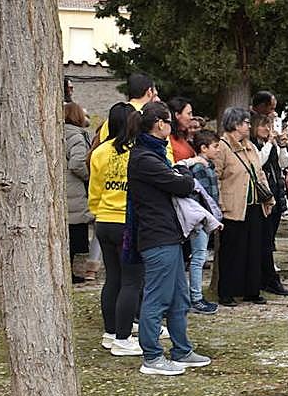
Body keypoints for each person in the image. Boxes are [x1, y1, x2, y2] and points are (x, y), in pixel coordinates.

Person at [126, 101, 210, 375]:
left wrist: (179, 171)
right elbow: (183, 185)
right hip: (156, 236)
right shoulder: (144, 158)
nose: (171, 127)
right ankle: (152, 357)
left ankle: (181, 350)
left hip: (169, 235)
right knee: (157, 298)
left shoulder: (154, 154)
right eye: (169, 122)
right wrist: (184, 171)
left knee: (178, 297)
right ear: (159, 124)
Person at [89, 105, 143, 356]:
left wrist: (97, 211)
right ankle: (123, 338)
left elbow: (95, 188)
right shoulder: (137, 151)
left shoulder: (100, 152)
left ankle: (111, 332)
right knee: (132, 281)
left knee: (113, 278)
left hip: (104, 220)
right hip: (128, 222)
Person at [215, 106, 274, 307]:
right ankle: (227, 292)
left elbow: (260, 174)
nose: (249, 126)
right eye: (246, 123)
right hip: (232, 207)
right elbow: (216, 177)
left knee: (254, 250)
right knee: (231, 252)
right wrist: (219, 205)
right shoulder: (222, 147)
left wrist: (269, 199)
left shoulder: (250, 147)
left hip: (254, 206)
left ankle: (252, 290)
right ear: (235, 124)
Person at [252, 113, 288, 296]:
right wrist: (269, 143)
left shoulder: (272, 145)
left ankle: (266, 275)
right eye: (263, 125)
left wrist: (281, 146)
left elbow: (284, 164)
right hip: (262, 195)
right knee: (265, 238)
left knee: (270, 236)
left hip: (276, 193)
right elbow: (259, 162)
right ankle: (266, 277)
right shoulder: (253, 145)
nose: (267, 129)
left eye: (269, 126)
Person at [184, 129, 222, 314]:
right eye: (215, 146)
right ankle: (196, 298)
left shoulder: (208, 166)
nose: (218, 150)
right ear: (203, 148)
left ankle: (195, 296)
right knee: (198, 258)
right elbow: (203, 197)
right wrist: (209, 218)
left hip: (205, 218)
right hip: (200, 220)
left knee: (199, 256)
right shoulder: (199, 168)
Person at [64, 102, 93, 284]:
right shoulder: (76, 136)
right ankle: (70, 273)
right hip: (74, 188)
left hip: (63, 187)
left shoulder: (59, 133)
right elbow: (77, 163)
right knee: (74, 235)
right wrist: (88, 177)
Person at [166, 96, 196, 162]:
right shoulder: (167, 139)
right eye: (189, 114)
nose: (191, 117)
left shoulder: (183, 137)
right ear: (177, 115)